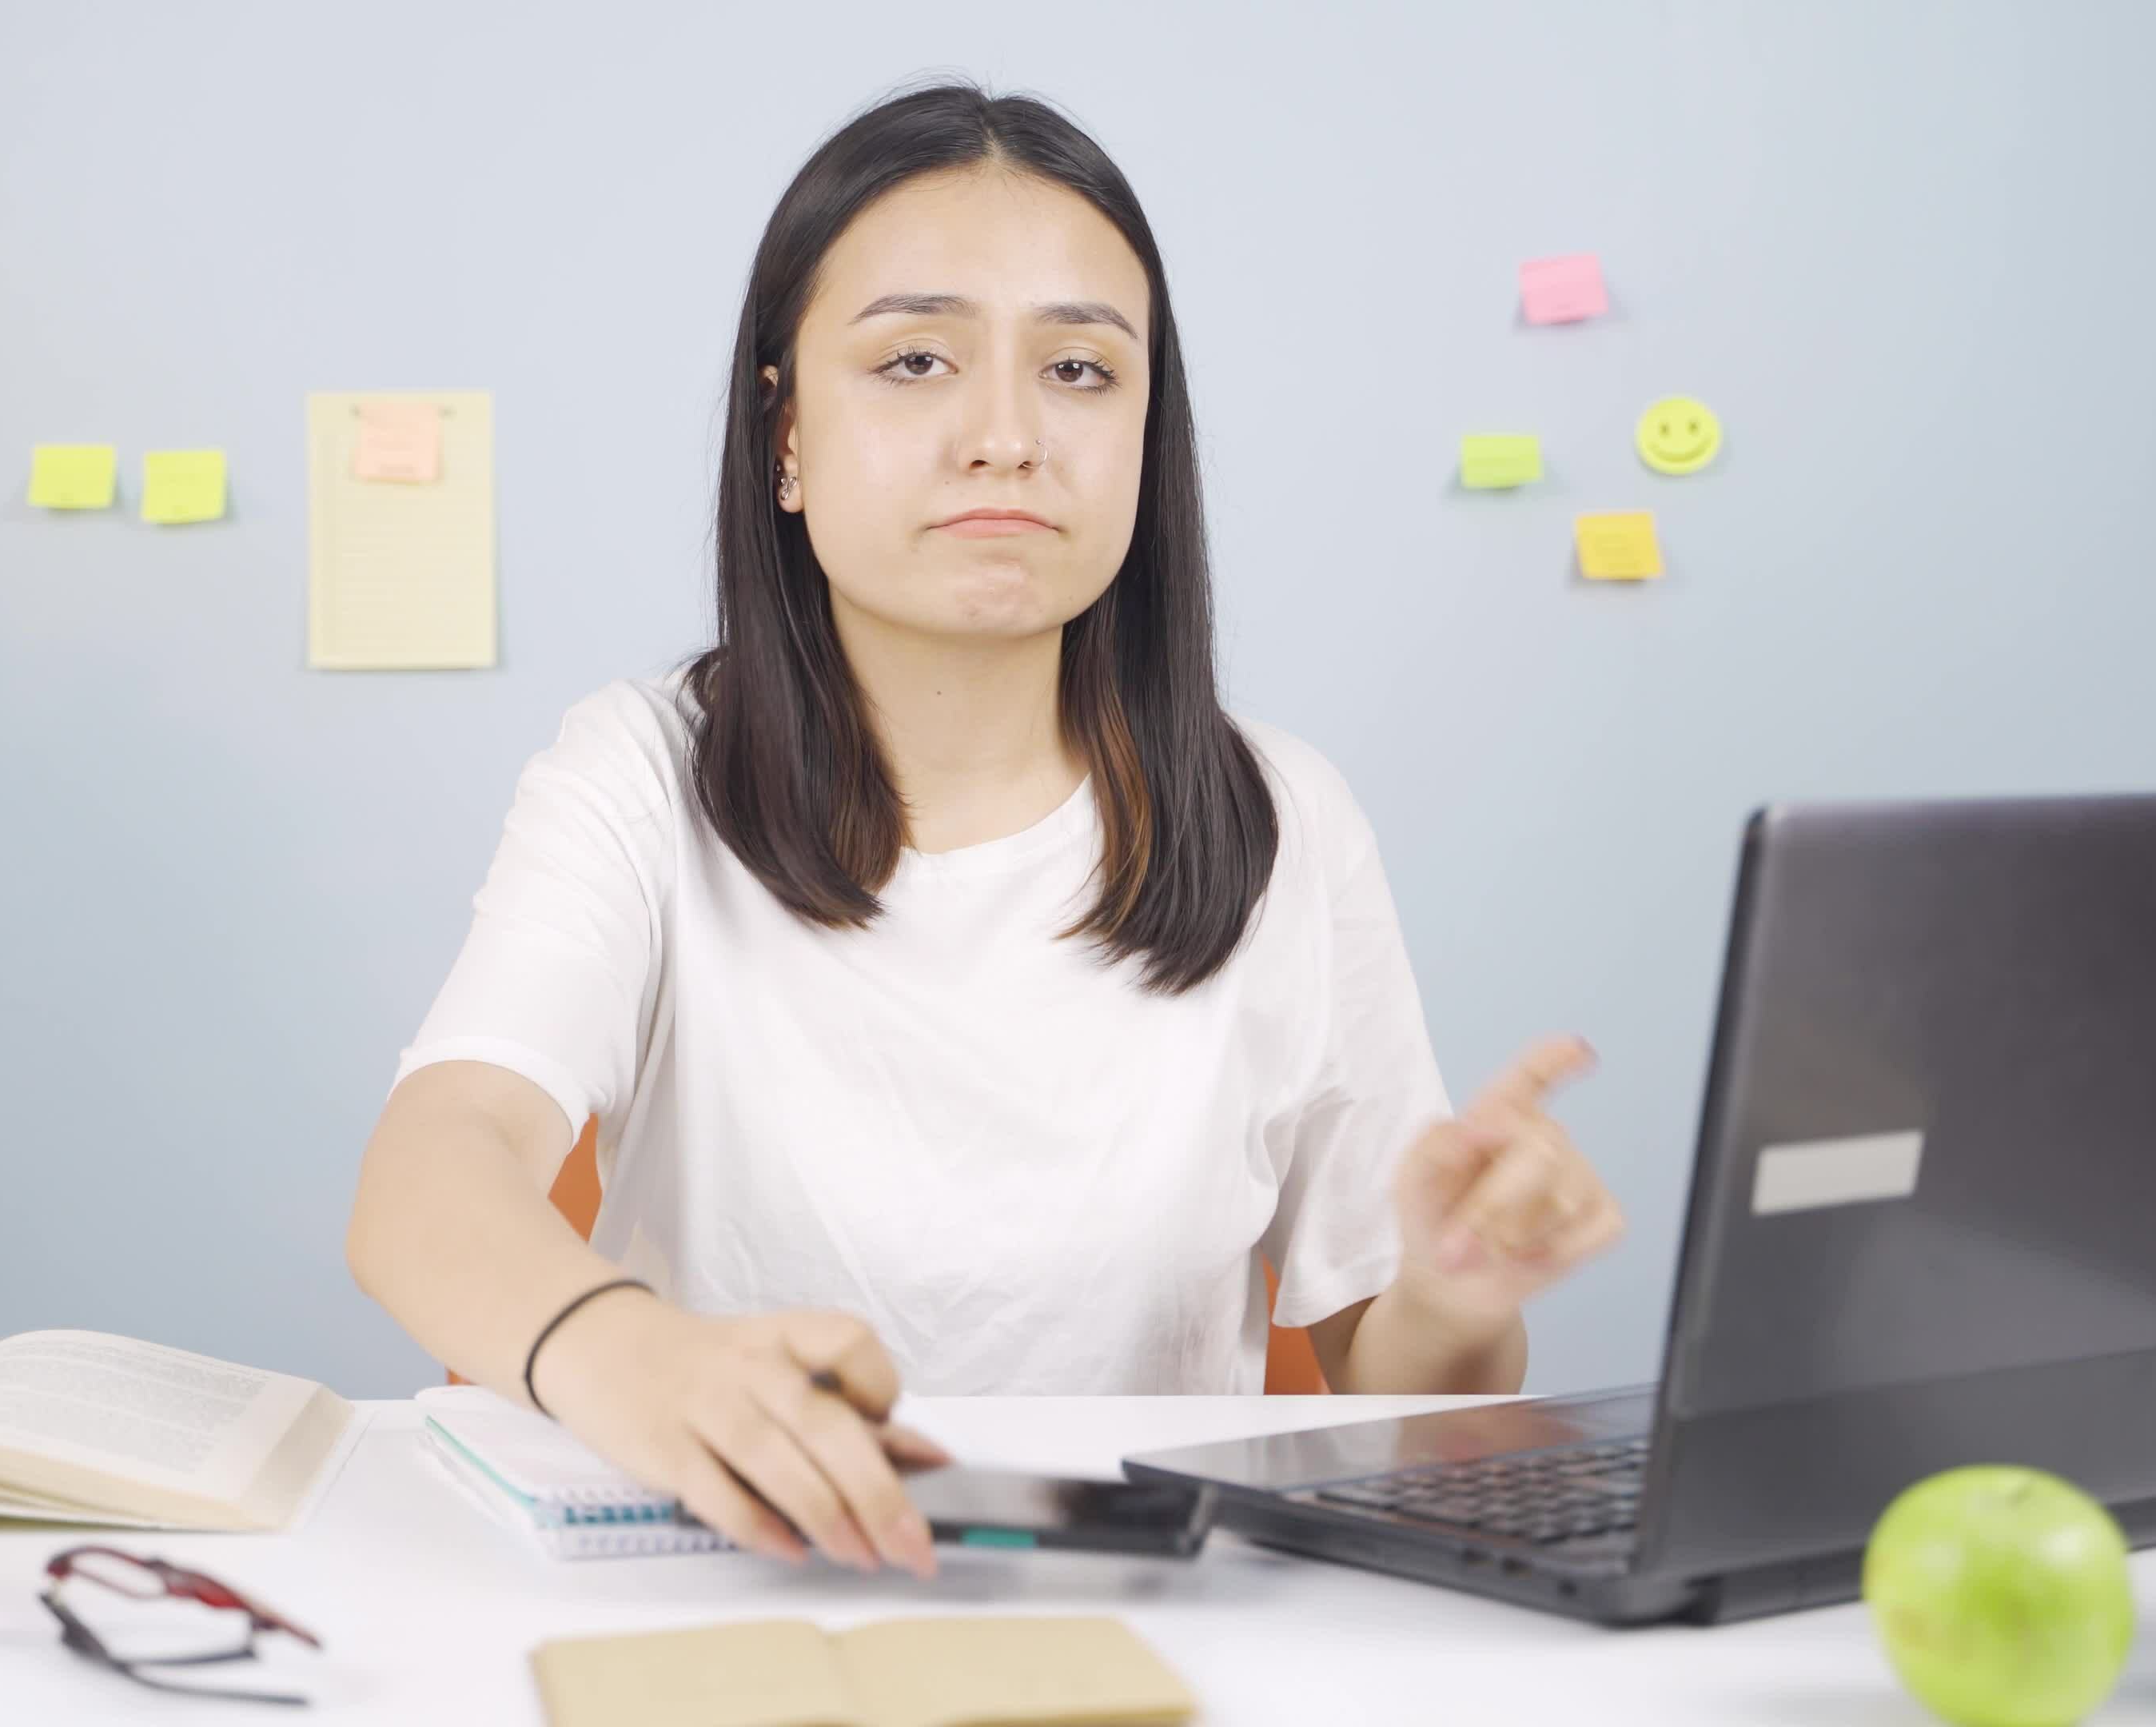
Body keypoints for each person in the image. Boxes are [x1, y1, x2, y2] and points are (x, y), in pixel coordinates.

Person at [347, 82, 1623, 1580]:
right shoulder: (641, 771)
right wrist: (638, 1364)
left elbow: (1404, 1406)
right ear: (787, 441)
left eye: (1081, 368)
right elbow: (431, 1176)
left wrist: (1463, 1300)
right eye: (916, 360)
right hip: (735, 1593)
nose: (1008, 435)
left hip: (1150, 1614)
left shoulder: (1278, 821)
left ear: (1151, 438)